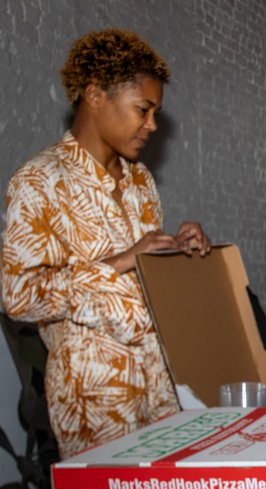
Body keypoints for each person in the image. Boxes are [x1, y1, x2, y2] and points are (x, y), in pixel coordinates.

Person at [2, 29, 211, 458]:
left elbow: (143, 277)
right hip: (94, 399)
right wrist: (119, 260)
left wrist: (179, 253)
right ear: (95, 96)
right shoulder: (40, 180)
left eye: (155, 113)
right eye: (143, 110)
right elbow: (18, 297)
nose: (152, 125)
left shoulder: (140, 180)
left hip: (160, 384)